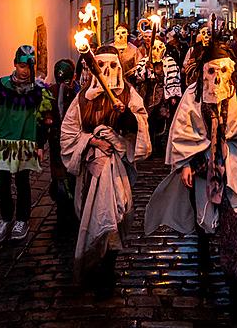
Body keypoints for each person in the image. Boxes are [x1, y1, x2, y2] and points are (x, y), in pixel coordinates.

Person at [145, 41, 237, 325]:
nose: (216, 78)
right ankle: (204, 265)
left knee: (232, 233)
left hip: (232, 174)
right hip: (203, 171)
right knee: (204, 225)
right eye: (211, 72)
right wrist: (184, 165)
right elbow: (183, 130)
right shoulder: (193, 96)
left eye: (222, 72)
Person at [60, 45, 151, 299]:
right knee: (92, 216)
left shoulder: (128, 95)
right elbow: (69, 135)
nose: (107, 72)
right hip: (91, 173)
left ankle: (108, 268)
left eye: (112, 66)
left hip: (117, 171)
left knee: (114, 215)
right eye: (101, 66)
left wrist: (126, 119)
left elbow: (141, 128)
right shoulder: (82, 100)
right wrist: (91, 141)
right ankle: (95, 263)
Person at [0, 45, 53, 243]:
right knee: (3, 182)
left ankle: (22, 219)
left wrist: (39, 144)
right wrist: (2, 131)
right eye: (22, 66)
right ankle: (5, 218)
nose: (25, 71)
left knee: (22, 182)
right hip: (5, 141)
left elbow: (42, 120)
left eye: (29, 67)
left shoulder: (39, 90)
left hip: (26, 141)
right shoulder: (1, 85)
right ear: (15, 64)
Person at [134, 36, 181, 157]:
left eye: (160, 47)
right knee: (148, 120)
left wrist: (172, 96)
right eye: (154, 48)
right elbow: (138, 77)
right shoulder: (144, 61)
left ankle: (159, 145)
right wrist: (145, 69)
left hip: (162, 95)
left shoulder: (169, 62)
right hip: (148, 95)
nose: (157, 50)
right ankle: (150, 145)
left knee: (161, 119)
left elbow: (173, 77)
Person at [47, 59, 78, 228]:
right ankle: (62, 211)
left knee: (73, 175)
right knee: (60, 176)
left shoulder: (78, 92)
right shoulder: (50, 93)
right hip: (57, 142)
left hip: (74, 141)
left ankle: (73, 209)